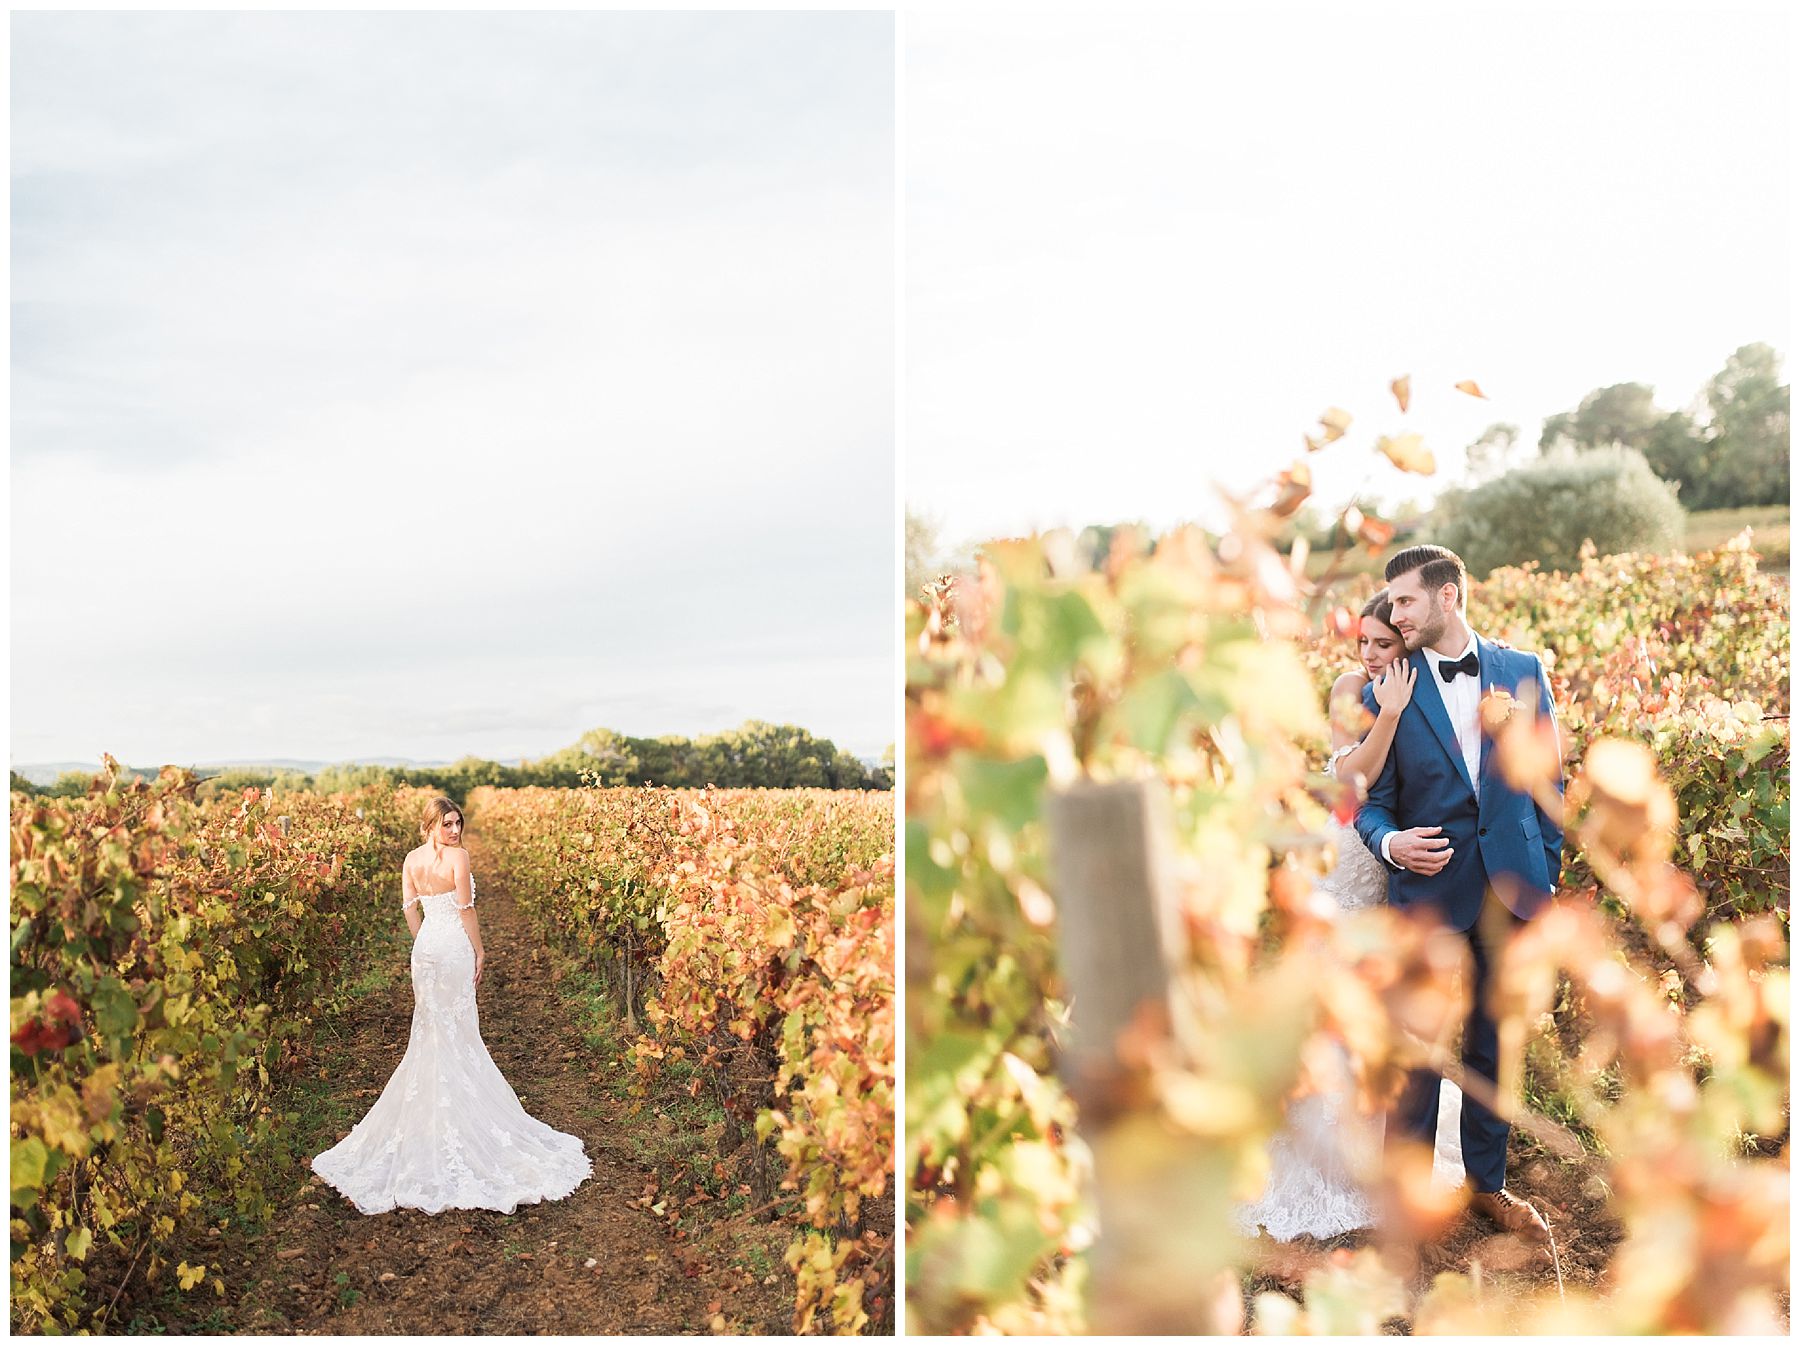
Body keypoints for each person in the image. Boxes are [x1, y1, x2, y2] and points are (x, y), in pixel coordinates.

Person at [1234, 591, 1465, 1242]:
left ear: (1408, 645)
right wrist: (1387, 716)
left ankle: (1389, 1154)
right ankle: (1319, 1164)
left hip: (1396, 867)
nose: (1367, 655)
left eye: (1382, 645)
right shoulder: (1350, 689)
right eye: (1362, 642)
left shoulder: (1430, 686)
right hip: (1347, 860)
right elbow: (1349, 781)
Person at [1354, 544, 1561, 1242]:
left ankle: (1487, 1188)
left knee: (1495, 1047)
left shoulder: (1522, 672)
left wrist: (1546, 877)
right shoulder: (1385, 689)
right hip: (1430, 895)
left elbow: (1547, 786)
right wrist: (1390, 844)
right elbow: (1370, 804)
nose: (1394, 613)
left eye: (1406, 600)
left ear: (1447, 597)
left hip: (1513, 895)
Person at [311, 796, 592, 1214]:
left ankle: (431, 1117)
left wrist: (424, 940)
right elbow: (466, 908)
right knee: (456, 1030)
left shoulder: (411, 860)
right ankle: (459, 1116)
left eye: (458, 823)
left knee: (432, 1030)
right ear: (430, 825)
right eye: (447, 824)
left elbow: (410, 910)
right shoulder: (458, 858)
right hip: (453, 947)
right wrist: (478, 951)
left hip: (425, 949)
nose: (455, 831)